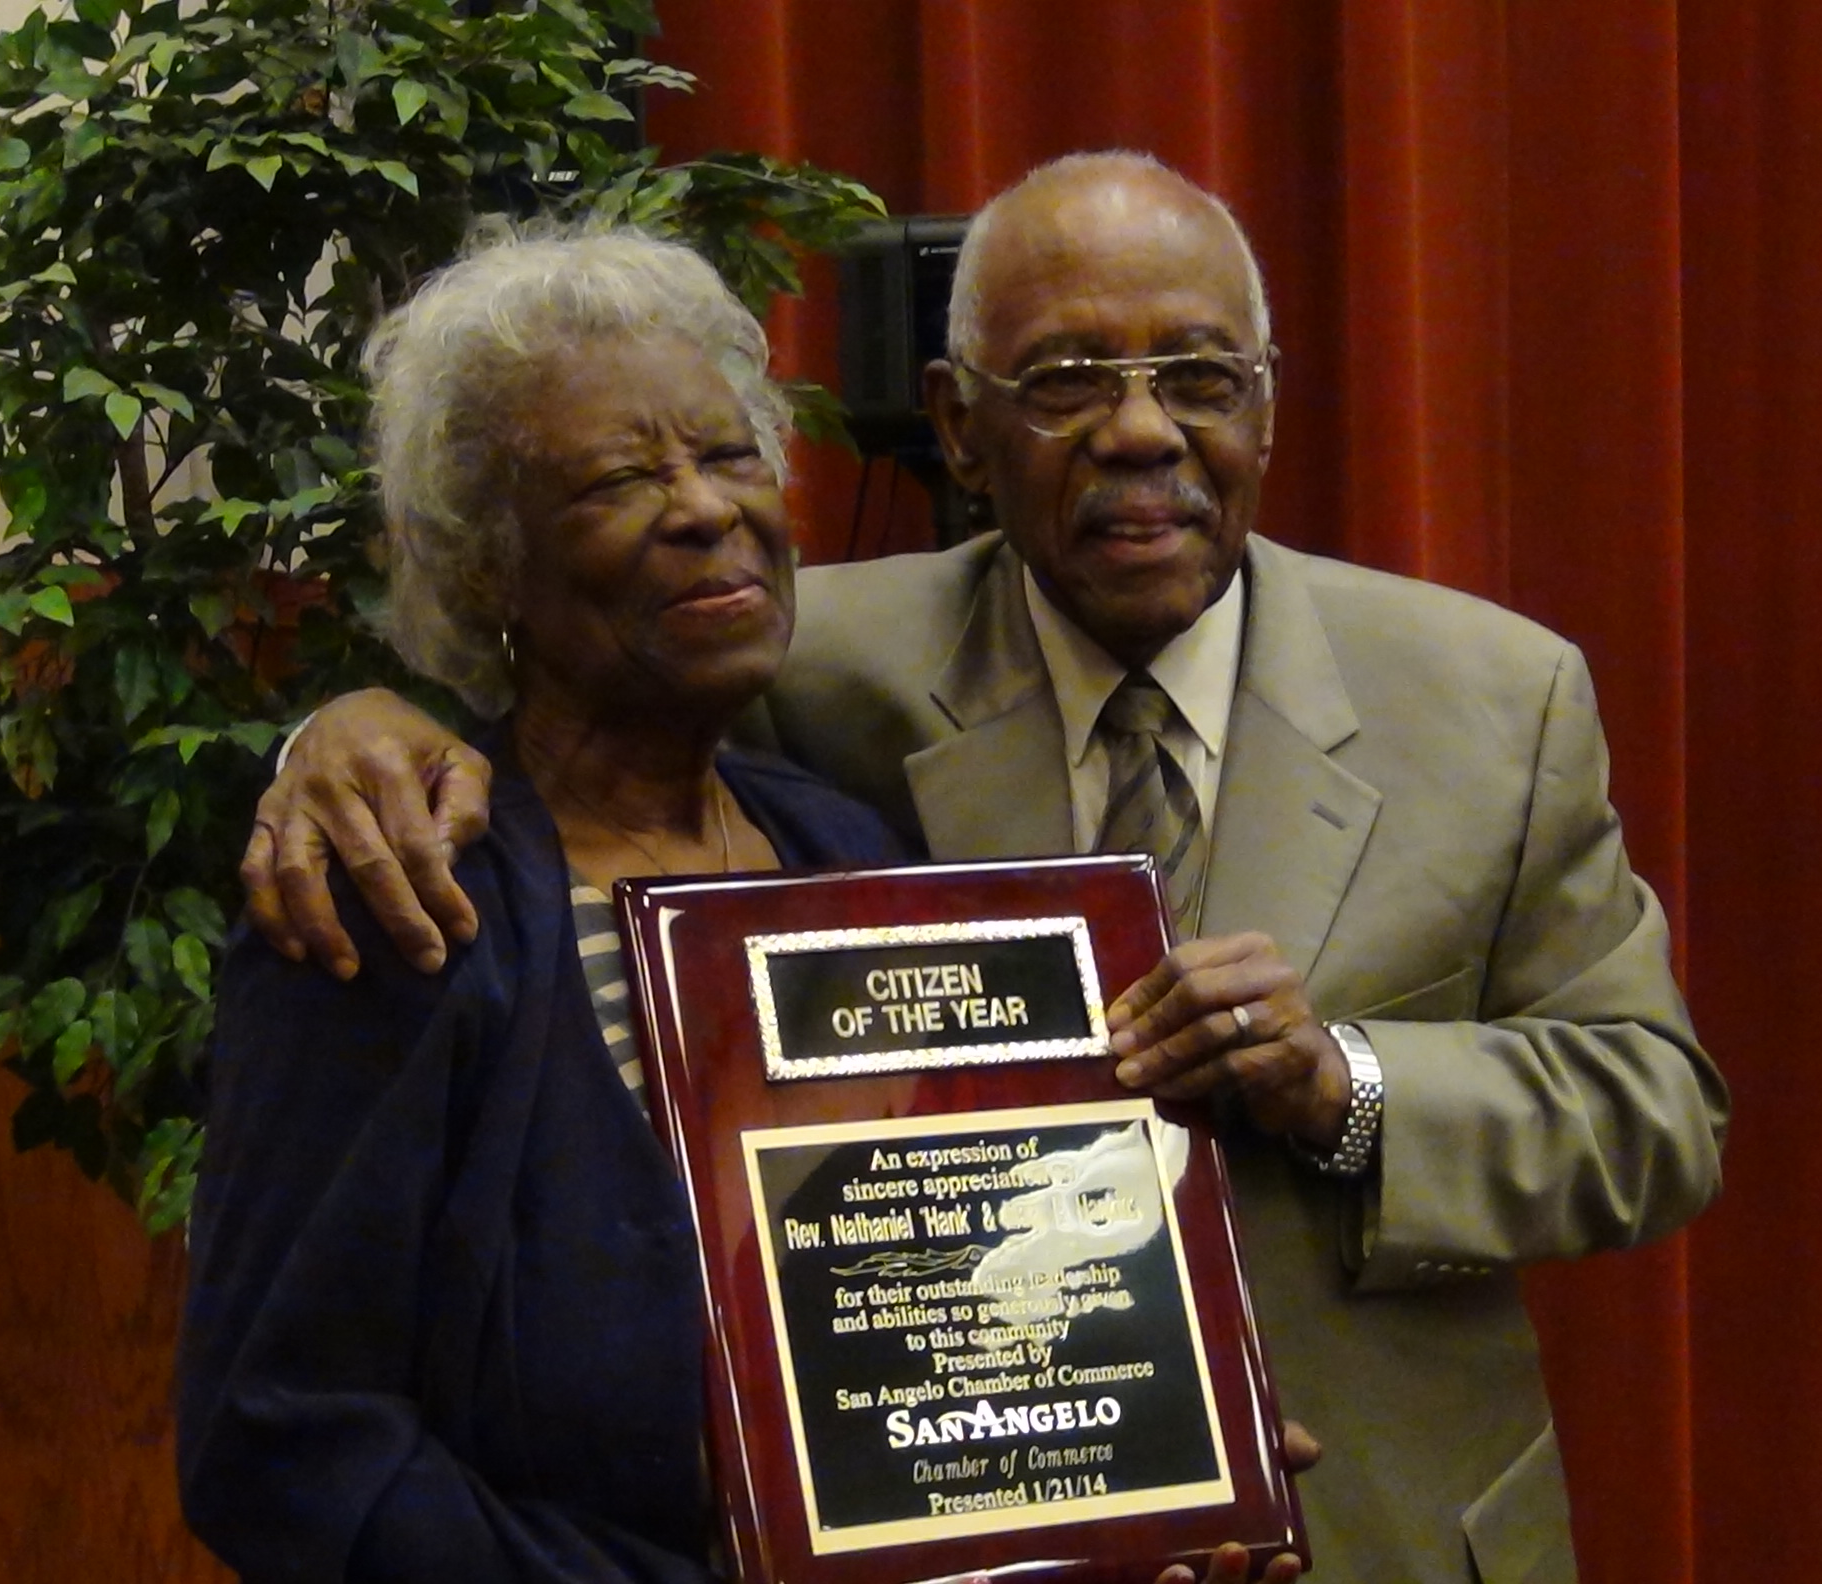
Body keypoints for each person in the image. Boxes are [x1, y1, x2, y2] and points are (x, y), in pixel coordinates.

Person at [244, 154, 1729, 1584]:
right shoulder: (808, 670)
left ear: (1267, 411)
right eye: (1069, 383)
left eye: (1202, 378)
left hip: (1383, 1529)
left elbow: (1657, 1110)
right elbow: (581, 691)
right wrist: (344, 727)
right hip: (929, 1529)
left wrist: (1342, 1086)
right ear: (956, 428)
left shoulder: (1494, 694)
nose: (1142, 432)